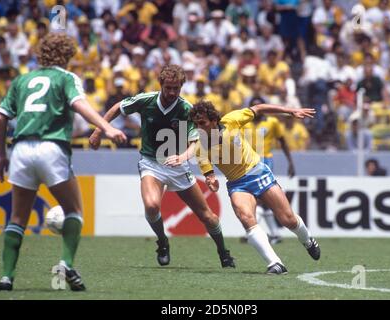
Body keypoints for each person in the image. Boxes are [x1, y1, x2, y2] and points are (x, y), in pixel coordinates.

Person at [0, 33, 127, 291]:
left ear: (39, 54)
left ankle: (6, 277)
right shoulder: (66, 78)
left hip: (20, 149)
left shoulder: (22, 80)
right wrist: (106, 128)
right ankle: (65, 263)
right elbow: (79, 105)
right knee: (74, 210)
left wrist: (0, 155)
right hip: (52, 148)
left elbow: (0, 119)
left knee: (17, 217)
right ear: (67, 56)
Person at [89, 64, 235, 269]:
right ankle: (163, 242)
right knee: (151, 206)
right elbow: (116, 108)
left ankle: (223, 252)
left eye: (177, 88)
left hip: (178, 167)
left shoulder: (186, 109)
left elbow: (196, 143)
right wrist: (99, 131)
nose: (172, 92)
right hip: (151, 162)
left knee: (207, 216)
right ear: (161, 85)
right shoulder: (145, 100)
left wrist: (182, 157)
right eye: (169, 88)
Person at [190, 101, 320, 274]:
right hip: (237, 183)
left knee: (287, 219)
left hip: (258, 173)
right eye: (196, 124)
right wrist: (211, 181)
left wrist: (290, 111)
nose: (199, 128)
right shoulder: (200, 146)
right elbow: (209, 174)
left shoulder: (232, 120)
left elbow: (259, 108)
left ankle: (308, 240)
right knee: (246, 218)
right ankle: (275, 263)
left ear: (214, 120)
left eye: (202, 123)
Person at [242, 97, 296, 245]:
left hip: (265, 161)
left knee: (259, 199)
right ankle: (275, 234)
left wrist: (290, 162)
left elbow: (283, 141)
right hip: (248, 162)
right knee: (260, 200)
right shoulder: (244, 122)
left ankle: (251, 233)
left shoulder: (272, 122)